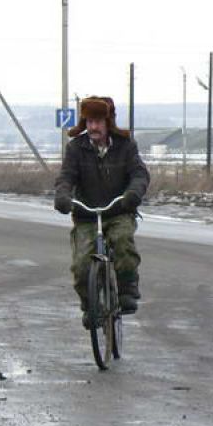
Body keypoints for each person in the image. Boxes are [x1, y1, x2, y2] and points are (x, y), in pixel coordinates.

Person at [54, 95, 150, 325]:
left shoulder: (125, 145)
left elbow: (139, 174)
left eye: (98, 122)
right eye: (89, 122)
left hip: (118, 211)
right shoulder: (76, 148)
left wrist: (132, 194)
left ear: (108, 122)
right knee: (81, 266)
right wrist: (63, 196)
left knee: (123, 243)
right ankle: (91, 307)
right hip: (86, 216)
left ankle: (127, 291)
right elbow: (66, 177)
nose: (93, 127)